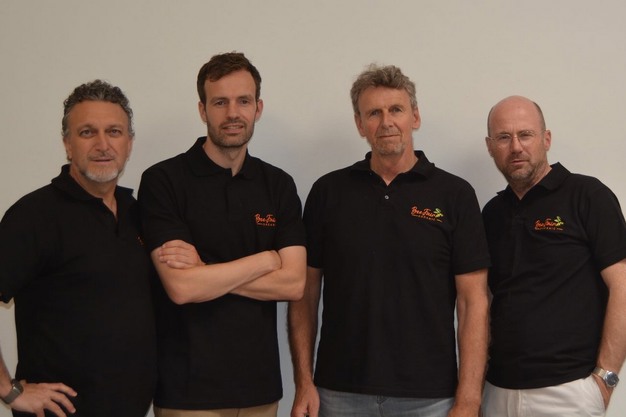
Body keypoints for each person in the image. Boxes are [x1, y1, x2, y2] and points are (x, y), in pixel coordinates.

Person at [288, 64, 490, 417]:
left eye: (396, 109)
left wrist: (469, 398)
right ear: (359, 124)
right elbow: (305, 294)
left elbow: (473, 302)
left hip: (431, 398)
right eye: (373, 113)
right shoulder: (328, 192)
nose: (386, 122)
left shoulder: (454, 195)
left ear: (415, 116)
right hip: (339, 393)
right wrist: (304, 381)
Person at [138, 52, 306, 417]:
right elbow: (181, 288)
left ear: (258, 108)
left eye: (243, 101)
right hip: (187, 394)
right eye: (220, 102)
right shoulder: (163, 181)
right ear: (203, 110)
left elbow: (294, 283)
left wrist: (204, 270)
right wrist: (266, 259)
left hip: (261, 393)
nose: (233, 113)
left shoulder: (278, 184)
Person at [0, 80, 157, 416]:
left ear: (129, 143)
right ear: (67, 144)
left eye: (114, 132)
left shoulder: (137, 213)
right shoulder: (34, 216)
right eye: (87, 132)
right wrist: (8, 391)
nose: (103, 144)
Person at [482, 95, 626, 417]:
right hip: (497, 391)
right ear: (490, 147)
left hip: (567, 393)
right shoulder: (491, 214)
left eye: (526, 134)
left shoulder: (588, 196)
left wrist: (605, 379)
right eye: (504, 137)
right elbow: (486, 299)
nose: (516, 147)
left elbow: (623, 286)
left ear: (546, 139)